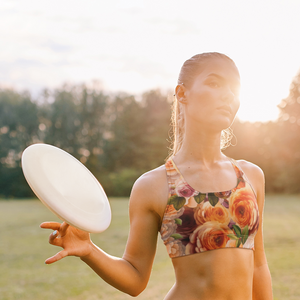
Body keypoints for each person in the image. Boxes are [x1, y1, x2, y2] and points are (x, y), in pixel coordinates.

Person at [40, 52, 273, 300]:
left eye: (234, 88)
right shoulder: (153, 186)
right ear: (182, 94)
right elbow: (135, 278)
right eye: (215, 83)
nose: (228, 95)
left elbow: (258, 266)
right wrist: (89, 250)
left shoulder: (251, 176)